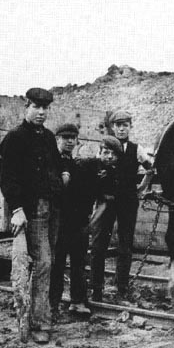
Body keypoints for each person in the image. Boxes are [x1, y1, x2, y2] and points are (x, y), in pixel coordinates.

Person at [0, 87, 64, 344]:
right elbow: (8, 178)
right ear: (25, 108)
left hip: (51, 208)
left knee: (49, 263)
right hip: (30, 211)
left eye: (45, 108)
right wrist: (16, 209)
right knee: (43, 263)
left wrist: (63, 177)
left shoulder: (48, 137)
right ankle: (38, 322)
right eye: (36, 107)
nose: (41, 112)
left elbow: (56, 167)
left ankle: (42, 313)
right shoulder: (14, 138)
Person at [51, 131, 122, 313]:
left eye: (113, 155)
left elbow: (105, 199)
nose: (109, 157)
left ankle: (77, 302)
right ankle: (53, 304)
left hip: (81, 222)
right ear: (100, 151)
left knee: (79, 262)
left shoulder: (111, 174)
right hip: (64, 219)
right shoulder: (86, 164)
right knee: (58, 262)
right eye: (106, 152)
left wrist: (90, 224)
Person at [90, 111, 153, 301]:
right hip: (106, 201)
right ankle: (96, 289)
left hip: (127, 202)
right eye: (118, 125)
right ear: (113, 127)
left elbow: (150, 168)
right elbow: (94, 170)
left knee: (125, 245)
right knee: (99, 244)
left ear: (130, 126)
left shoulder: (136, 149)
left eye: (125, 125)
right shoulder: (104, 147)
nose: (121, 128)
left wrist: (141, 188)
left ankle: (122, 287)